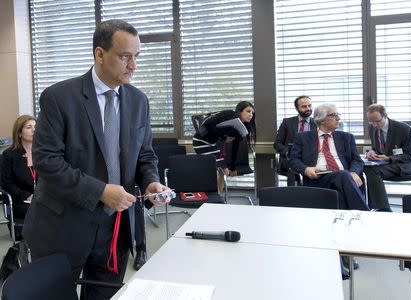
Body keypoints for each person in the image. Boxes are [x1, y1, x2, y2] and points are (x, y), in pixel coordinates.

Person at [23, 19, 171, 300]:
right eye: (125, 56)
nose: (133, 66)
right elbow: (47, 162)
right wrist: (101, 192)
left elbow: (145, 155)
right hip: (63, 227)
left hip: (115, 230)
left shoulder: (139, 101)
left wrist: (151, 181)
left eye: (136, 57)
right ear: (100, 54)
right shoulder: (59, 98)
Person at [289, 103, 369, 211]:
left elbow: (357, 160)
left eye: (338, 114)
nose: (338, 118)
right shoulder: (303, 137)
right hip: (318, 179)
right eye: (334, 115)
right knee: (344, 176)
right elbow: (293, 161)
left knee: (343, 179)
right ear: (322, 120)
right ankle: (364, 214)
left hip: (346, 177)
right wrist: (306, 169)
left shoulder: (346, 137)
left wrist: (354, 172)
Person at [192, 101, 256, 192]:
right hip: (201, 141)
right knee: (217, 171)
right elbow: (208, 126)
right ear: (240, 111)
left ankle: (219, 196)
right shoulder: (228, 114)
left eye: (252, 113)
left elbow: (235, 146)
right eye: (248, 111)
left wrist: (233, 168)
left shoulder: (242, 127)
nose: (251, 115)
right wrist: (224, 137)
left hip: (212, 143)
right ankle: (213, 196)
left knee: (224, 171)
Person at [364, 104, 411, 211]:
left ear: (385, 116)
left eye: (377, 121)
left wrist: (389, 158)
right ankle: (368, 205)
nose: (374, 125)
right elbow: (377, 147)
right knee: (363, 169)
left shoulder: (403, 129)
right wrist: (371, 152)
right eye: (371, 122)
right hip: (384, 163)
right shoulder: (372, 128)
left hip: (403, 164)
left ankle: (382, 209)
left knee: (373, 172)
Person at [1, 115, 37, 240]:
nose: (34, 130)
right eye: (29, 127)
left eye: (35, 127)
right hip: (20, 200)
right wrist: (27, 195)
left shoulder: (43, 153)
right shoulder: (9, 155)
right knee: (41, 210)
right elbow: (6, 184)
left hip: (42, 198)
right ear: (20, 133)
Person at [274, 95, 316, 185]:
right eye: (304, 106)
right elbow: (277, 143)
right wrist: (287, 152)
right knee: (293, 167)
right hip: (291, 158)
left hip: (312, 159)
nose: (308, 108)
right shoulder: (287, 122)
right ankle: (293, 194)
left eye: (309, 105)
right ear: (297, 108)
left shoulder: (317, 123)